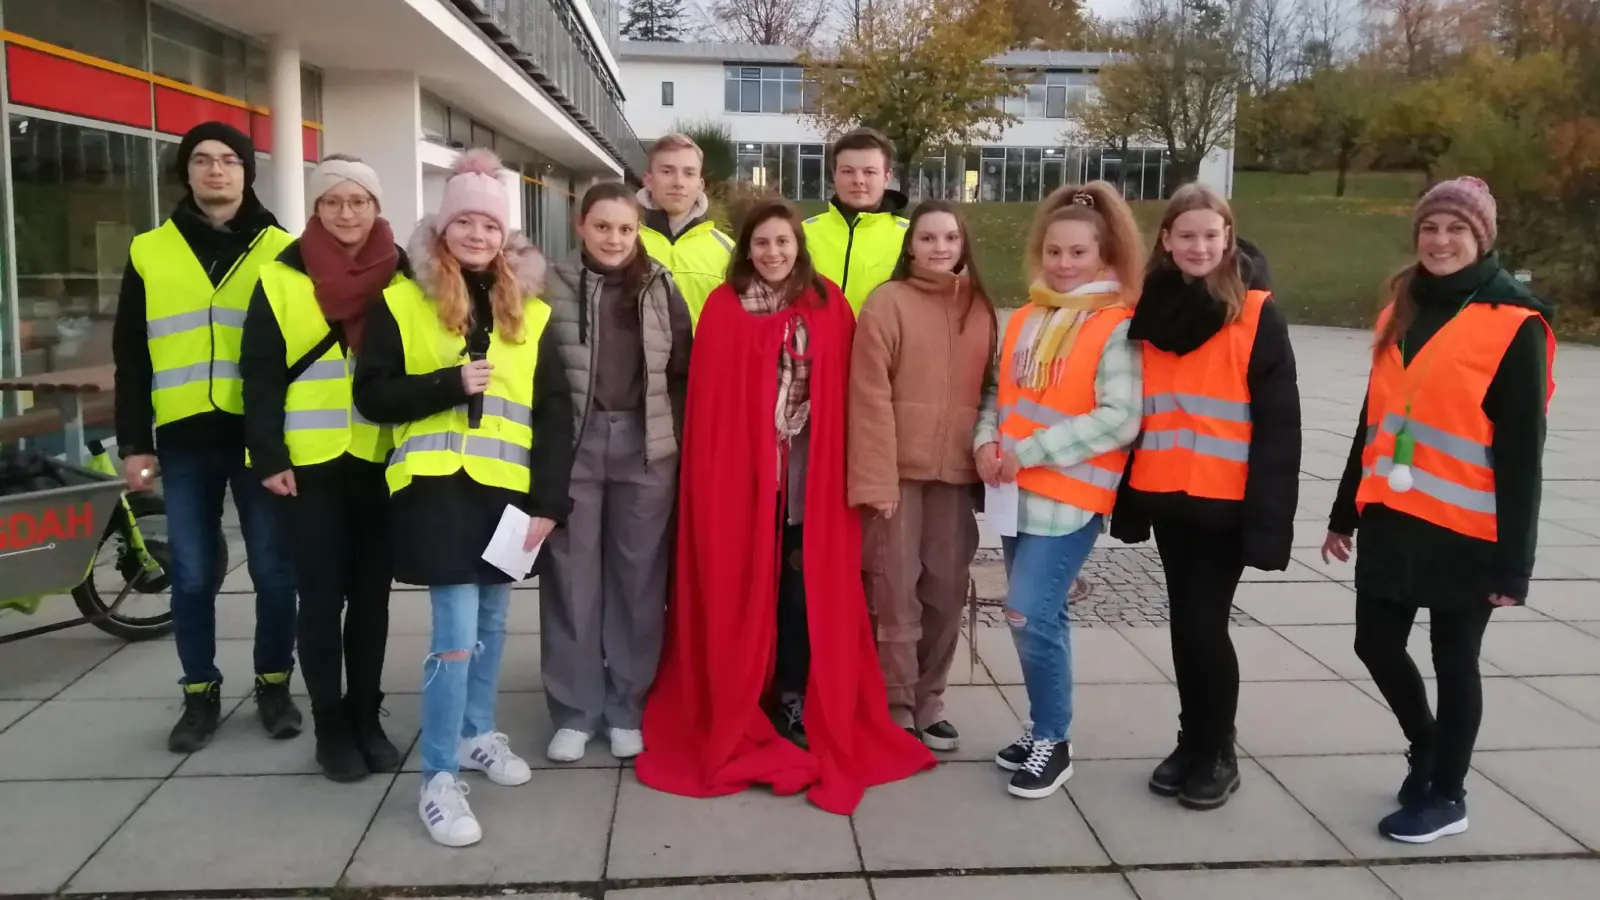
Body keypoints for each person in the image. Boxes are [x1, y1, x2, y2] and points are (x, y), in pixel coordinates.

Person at [636, 198, 934, 815]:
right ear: (746, 249)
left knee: (803, 593)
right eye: (762, 244)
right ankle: (744, 695)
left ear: (799, 246)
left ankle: (795, 693)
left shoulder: (829, 305)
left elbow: (852, 396)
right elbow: (712, 405)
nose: (773, 253)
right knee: (747, 585)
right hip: (742, 484)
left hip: (807, 481)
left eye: (783, 243)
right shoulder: (723, 308)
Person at [352, 149, 575, 847]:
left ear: (504, 235)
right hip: (437, 493)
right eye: (465, 223)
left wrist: (549, 501)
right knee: (453, 640)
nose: (478, 235)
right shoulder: (401, 301)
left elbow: (554, 411)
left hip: (506, 497)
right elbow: (371, 397)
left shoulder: (529, 311)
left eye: (489, 224)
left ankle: (479, 734)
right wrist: (448, 385)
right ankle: (439, 777)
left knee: (494, 629)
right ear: (443, 230)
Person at [1321, 177, 1554, 844]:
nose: (1441, 240)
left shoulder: (1516, 324)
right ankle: (1428, 746)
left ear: (1482, 239)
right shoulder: (1402, 306)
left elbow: (1521, 455)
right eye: (1431, 227)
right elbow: (1376, 419)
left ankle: (1447, 794)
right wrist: (1345, 511)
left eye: (1457, 229)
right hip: (1393, 516)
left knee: (1455, 661)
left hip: (1468, 530)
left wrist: (1516, 564)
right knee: (1374, 643)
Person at [1109, 183, 1301, 811]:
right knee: (1186, 626)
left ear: (1228, 240)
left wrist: (1269, 523)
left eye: (1210, 236)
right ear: (1166, 240)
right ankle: (1194, 741)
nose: (1198, 246)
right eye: (1185, 235)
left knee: (1203, 624)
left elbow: (1280, 428)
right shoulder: (1152, 306)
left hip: (1226, 503)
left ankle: (1218, 748)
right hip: (1167, 495)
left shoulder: (1256, 312)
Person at [113, 121, 300, 753]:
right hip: (185, 437)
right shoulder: (149, 251)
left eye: (228, 160)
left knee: (276, 572)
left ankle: (275, 684)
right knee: (191, 575)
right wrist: (135, 444)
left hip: (261, 439)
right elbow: (131, 358)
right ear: (186, 172)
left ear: (247, 173)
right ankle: (200, 692)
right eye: (202, 161)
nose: (216, 171)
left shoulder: (284, 250)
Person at [974, 182, 1145, 800]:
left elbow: (1120, 417)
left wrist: (1027, 452)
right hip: (1016, 494)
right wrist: (985, 445)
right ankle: (1042, 726)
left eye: (1077, 253)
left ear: (1103, 258)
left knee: (1025, 610)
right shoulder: (1026, 316)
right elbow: (998, 395)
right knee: (1039, 615)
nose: (1064, 264)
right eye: (1054, 252)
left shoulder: (1117, 325)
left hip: (1070, 498)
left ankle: (1054, 738)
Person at [240, 155, 405, 782]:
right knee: (320, 600)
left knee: (371, 600)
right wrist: (268, 453)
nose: (345, 212)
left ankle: (367, 714)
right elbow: (257, 370)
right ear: (315, 207)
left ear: (375, 206)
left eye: (358, 201)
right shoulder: (280, 276)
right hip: (306, 465)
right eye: (332, 201)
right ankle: (331, 724)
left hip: (378, 456)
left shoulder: (403, 271)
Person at [540, 182, 693, 764]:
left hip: (645, 447)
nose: (614, 239)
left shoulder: (659, 287)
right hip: (574, 446)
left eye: (625, 229)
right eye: (603, 227)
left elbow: (683, 367)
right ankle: (576, 710)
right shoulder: (547, 283)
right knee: (572, 581)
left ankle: (628, 706)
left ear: (639, 233)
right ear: (582, 226)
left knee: (637, 582)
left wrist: (672, 438)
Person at [848, 200, 996, 750]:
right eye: (929, 238)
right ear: (910, 245)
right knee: (893, 592)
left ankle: (931, 699)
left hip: (956, 478)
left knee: (946, 590)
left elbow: (993, 391)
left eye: (950, 239)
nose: (939, 248)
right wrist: (875, 479)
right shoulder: (887, 303)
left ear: (962, 245)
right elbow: (868, 397)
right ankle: (896, 700)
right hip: (898, 477)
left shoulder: (980, 308)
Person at [802, 128, 909, 314]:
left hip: (881, 343)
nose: (858, 180)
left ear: (887, 177)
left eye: (869, 172)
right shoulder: (802, 234)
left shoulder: (912, 238)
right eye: (847, 171)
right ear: (834, 174)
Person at [637, 133, 734, 325]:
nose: (678, 182)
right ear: (648, 180)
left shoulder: (728, 250)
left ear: (700, 185)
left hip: (704, 356)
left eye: (689, 173)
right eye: (667, 171)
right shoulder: (622, 242)